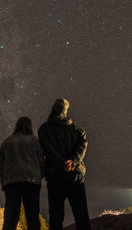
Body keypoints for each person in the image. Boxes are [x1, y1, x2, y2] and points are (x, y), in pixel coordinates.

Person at [38, 98, 91, 230]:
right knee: (82, 216)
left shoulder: (44, 129)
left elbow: (48, 149)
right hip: (75, 176)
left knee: (56, 218)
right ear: (65, 110)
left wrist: (63, 162)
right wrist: (72, 161)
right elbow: (81, 148)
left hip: (55, 176)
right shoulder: (79, 131)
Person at [0, 117, 44, 230]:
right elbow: (41, 162)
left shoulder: (7, 142)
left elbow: (2, 165)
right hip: (31, 181)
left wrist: (3, 182)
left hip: (11, 182)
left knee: (10, 216)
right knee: (32, 216)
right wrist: (39, 177)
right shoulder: (35, 141)